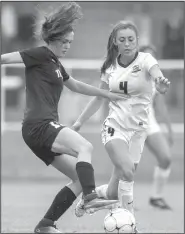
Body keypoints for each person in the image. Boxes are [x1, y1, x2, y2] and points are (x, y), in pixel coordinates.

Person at [1, 2, 123, 233]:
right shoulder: (39, 54)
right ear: (53, 38)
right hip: (39, 125)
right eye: (64, 42)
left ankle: (45, 224)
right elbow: (4, 59)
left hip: (38, 130)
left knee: (78, 177)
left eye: (70, 42)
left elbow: (75, 85)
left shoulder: (55, 63)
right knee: (85, 147)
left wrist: (106, 93)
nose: (67, 46)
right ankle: (90, 198)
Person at [72, 20, 170, 231]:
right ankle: (131, 224)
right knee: (127, 171)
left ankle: (92, 197)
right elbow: (99, 97)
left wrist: (160, 83)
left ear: (137, 41)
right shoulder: (109, 66)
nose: (127, 43)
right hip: (114, 127)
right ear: (115, 42)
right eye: (122, 40)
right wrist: (80, 121)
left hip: (139, 131)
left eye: (131, 39)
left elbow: (156, 73)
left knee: (114, 192)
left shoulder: (146, 60)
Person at [139, 45, 173, 209]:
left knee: (165, 158)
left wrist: (169, 129)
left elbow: (160, 106)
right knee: (127, 166)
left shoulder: (156, 80)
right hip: (130, 124)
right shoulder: (128, 75)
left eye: (153, 57)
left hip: (149, 124)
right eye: (146, 56)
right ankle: (122, 201)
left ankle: (156, 197)